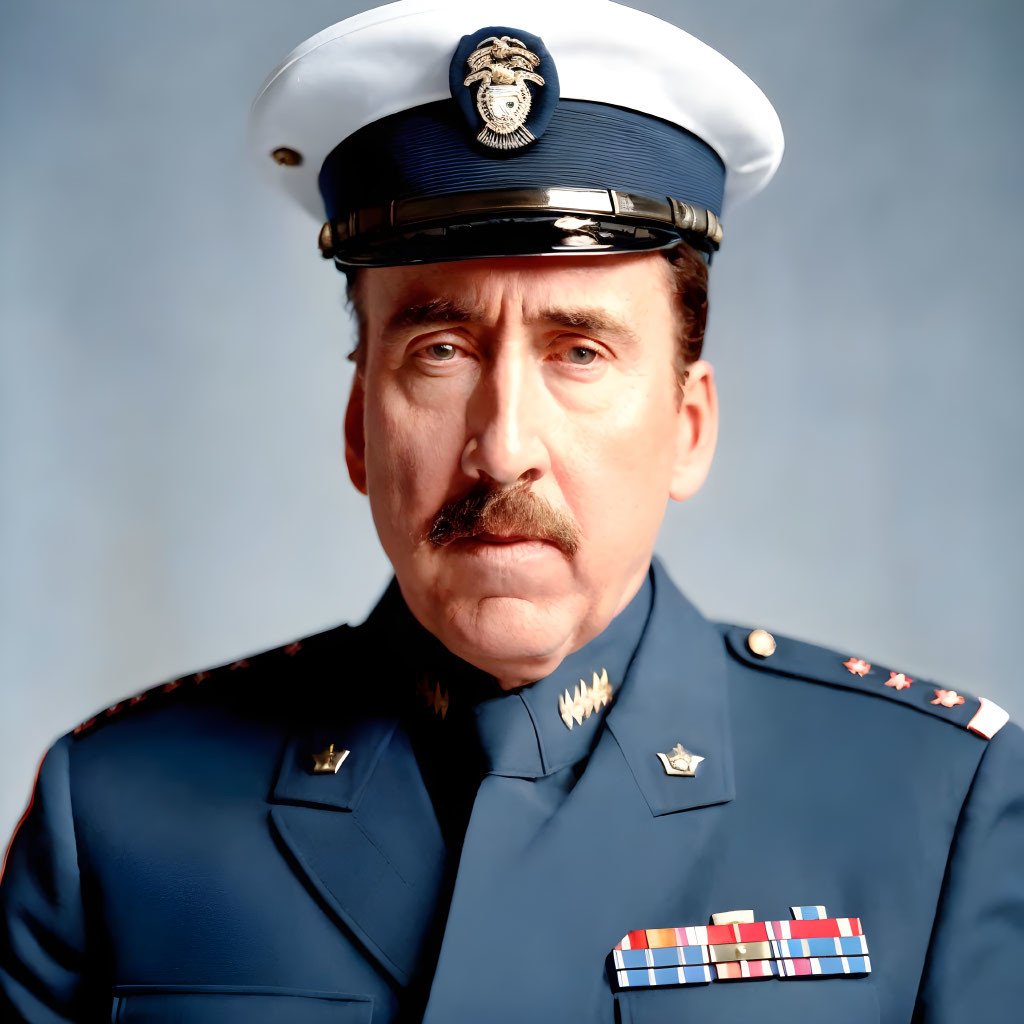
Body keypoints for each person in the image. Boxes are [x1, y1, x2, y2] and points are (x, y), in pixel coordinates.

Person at [2, 1, 1021, 1021]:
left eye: (579, 351)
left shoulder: (930, 810)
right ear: (360, 428)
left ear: (688, 426)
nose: (502, 445)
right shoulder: (122, 817)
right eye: (439, 351)